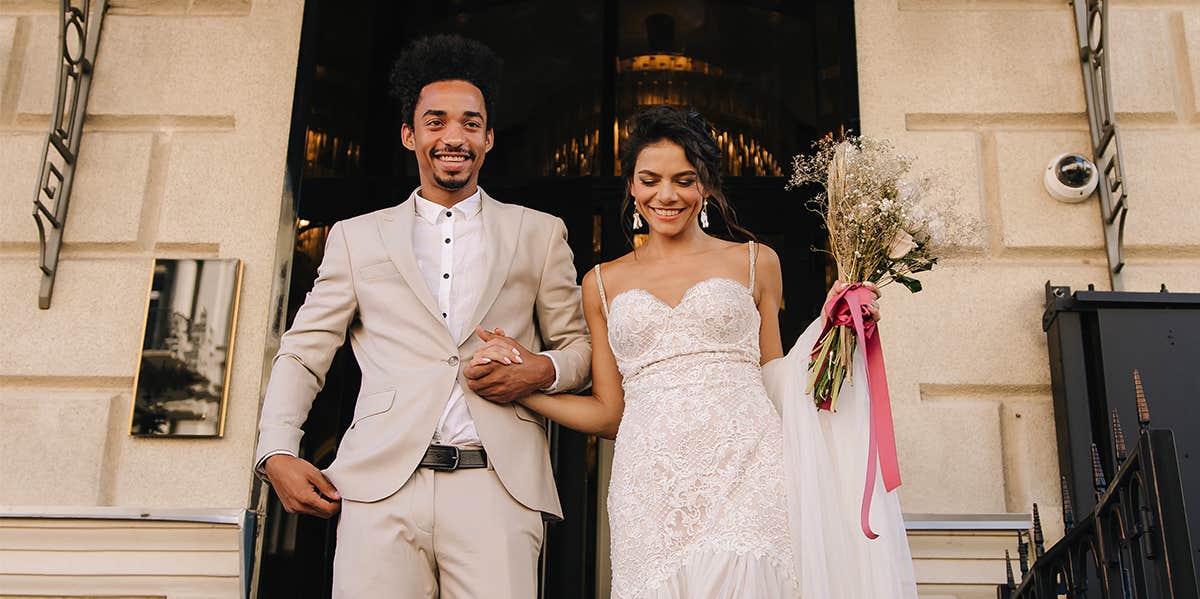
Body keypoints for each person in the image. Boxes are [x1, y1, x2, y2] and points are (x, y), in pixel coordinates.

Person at [470, 105, 917, 598]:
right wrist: (524, 391)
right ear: (632, 188)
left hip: (749, 469)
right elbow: (609, 412)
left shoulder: (755, 261)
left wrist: (828, 329)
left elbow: (776, 377)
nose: (667, 195)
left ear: (705, 185)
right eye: (650, 180)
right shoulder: (600, 282)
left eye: (684, 180)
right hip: (649, 485)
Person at [252, 35, 591, 599]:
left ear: (488, 138)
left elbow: (580, 348)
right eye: (435, 121)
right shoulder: (357, 238)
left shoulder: (539, 232)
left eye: (469, 123)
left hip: (497, 488)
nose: (453, 136)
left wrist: (539, 370)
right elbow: (305, 350)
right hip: (380, 488)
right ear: (410, 135)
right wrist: (277, 450)